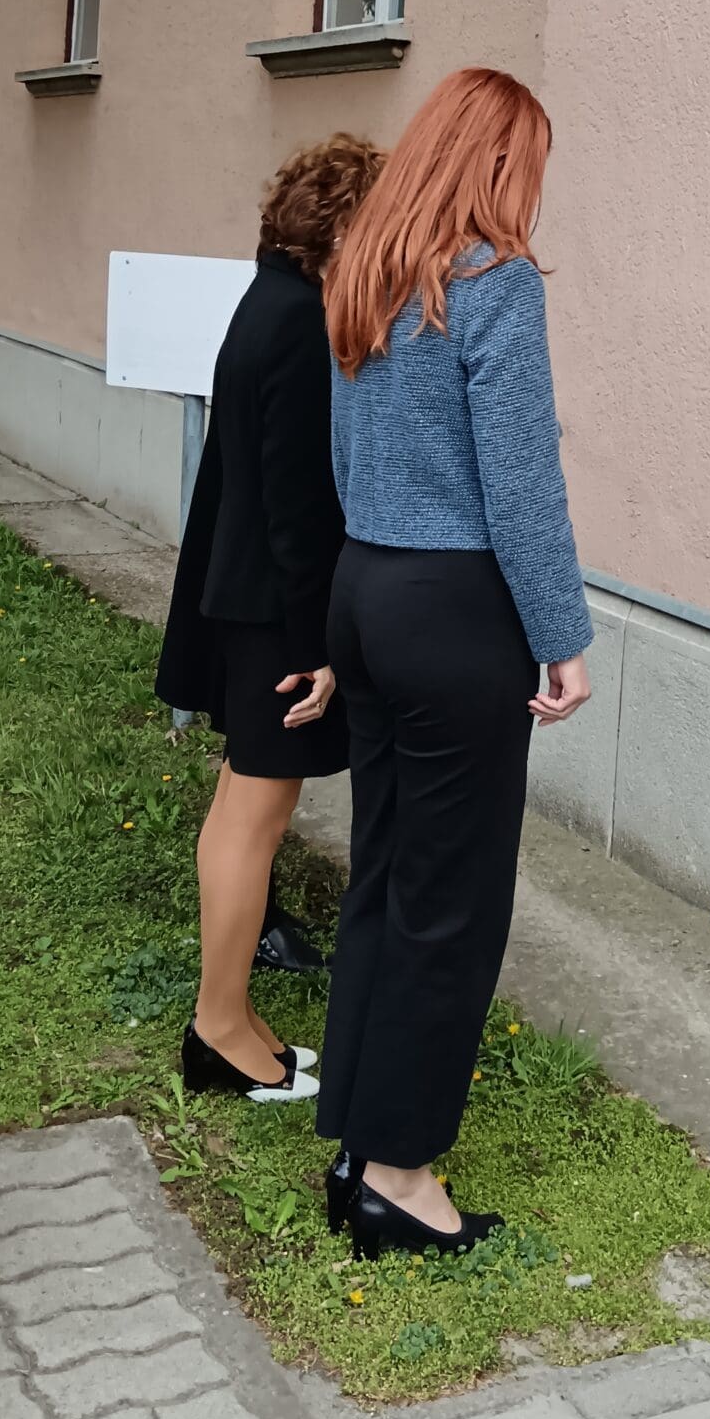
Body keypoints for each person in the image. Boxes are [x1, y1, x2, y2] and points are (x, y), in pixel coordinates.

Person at [316, 68, 591, 1259]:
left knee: (385, 872)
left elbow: (341, 454)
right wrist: (561, 635)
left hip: (366, 586)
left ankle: (355, 1135)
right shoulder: (494, 282)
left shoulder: (367, 273)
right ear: (498, 163)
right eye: (531, 166)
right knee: (453, 901)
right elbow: (521, 480)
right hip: (452, 609)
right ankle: (398, 1173)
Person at [155, 131, 383, 1105]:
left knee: (243, 812)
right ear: (344, 228)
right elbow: (296, 507)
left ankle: (232, 1017)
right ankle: (217, 1028)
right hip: (271, 617)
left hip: (246, 602)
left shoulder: (269, 300)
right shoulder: (294, 321)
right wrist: (317, 646)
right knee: (252, 817)